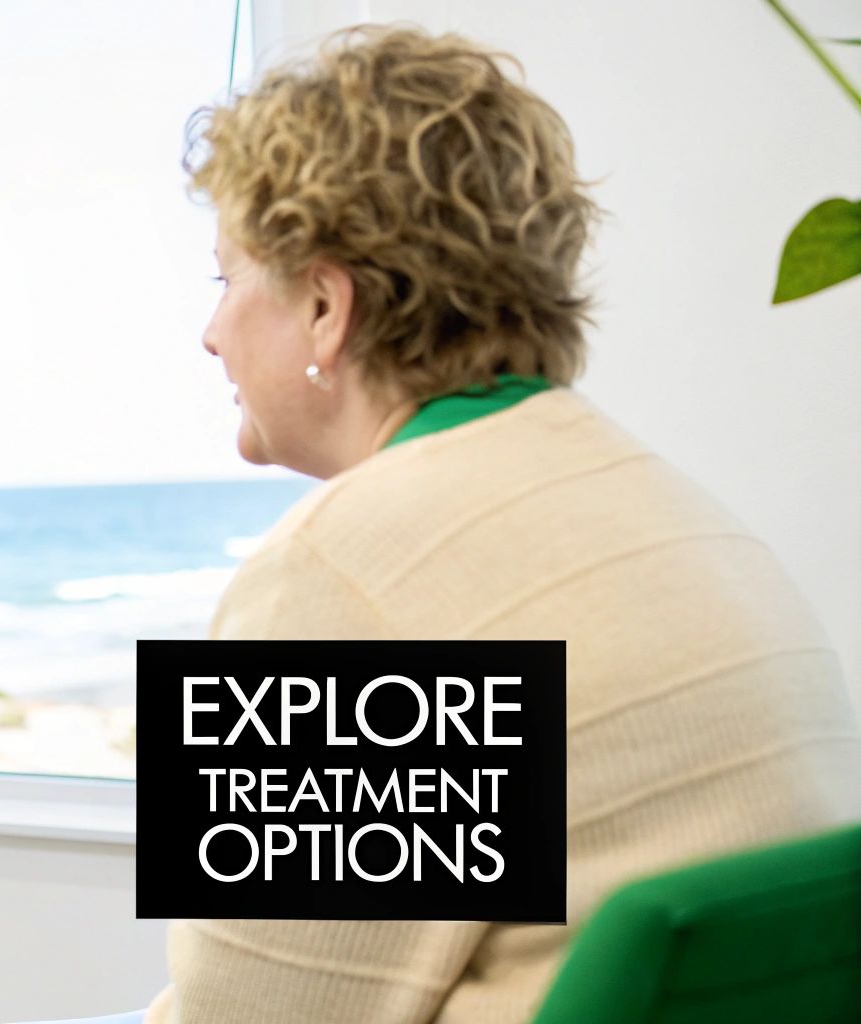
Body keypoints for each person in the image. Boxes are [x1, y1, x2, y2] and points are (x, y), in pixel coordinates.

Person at [149, 24, 861, 1023]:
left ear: (323, 306)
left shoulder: (340, 579)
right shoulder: (687, 523)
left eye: (224, 280)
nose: (209, 333)